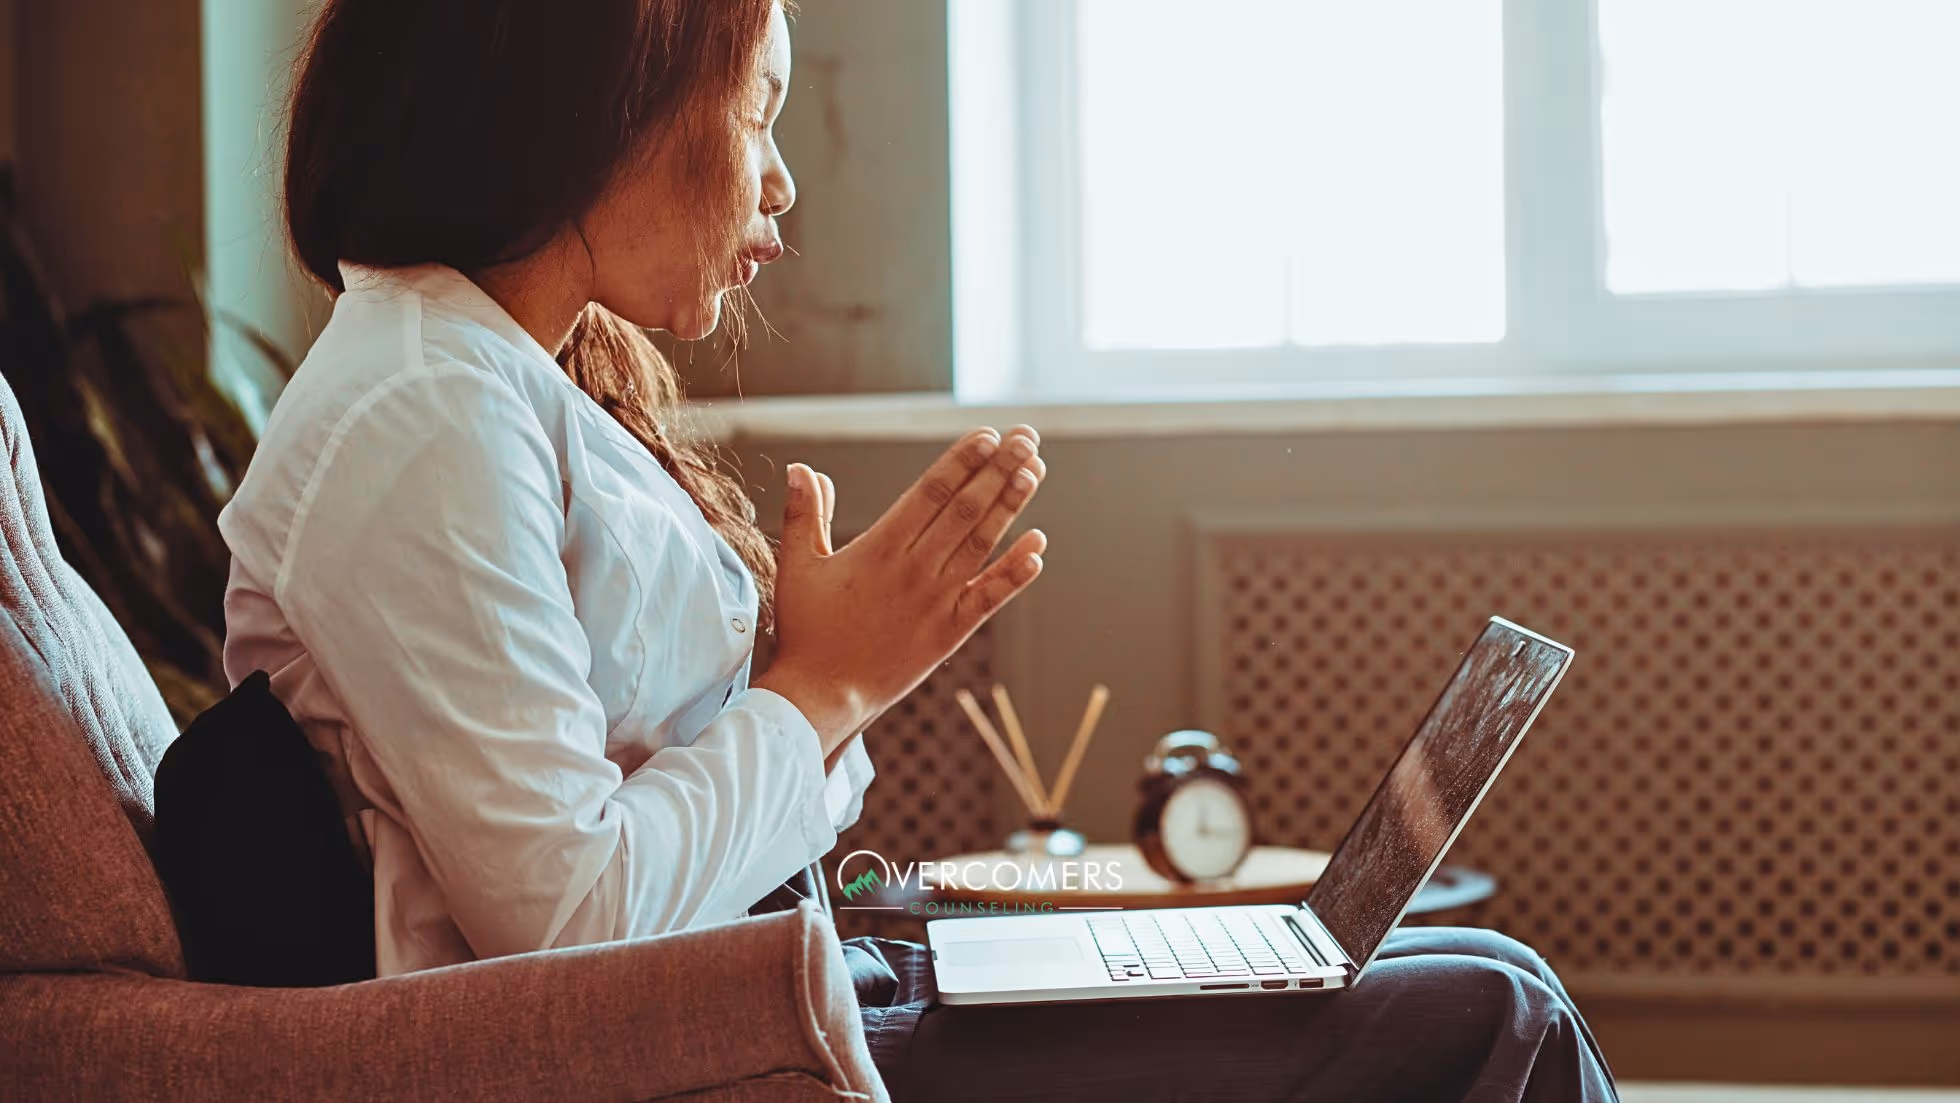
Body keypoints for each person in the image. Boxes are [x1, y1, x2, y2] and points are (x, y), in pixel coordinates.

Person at [220, 0, 1619, 1098]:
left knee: (1479, 967)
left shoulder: (499, 383)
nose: (778, 186)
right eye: (755, 109)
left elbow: (700, 819)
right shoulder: (422, 412)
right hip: (716, 1050)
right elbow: (574, 925)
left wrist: (800, 680)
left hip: (806, 985)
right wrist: (825, 684)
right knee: (1497, 1014)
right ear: (601, 106)